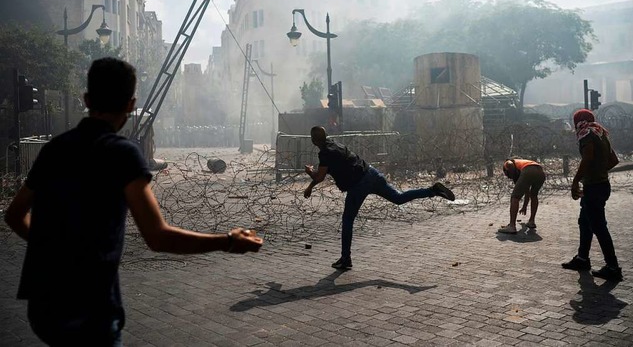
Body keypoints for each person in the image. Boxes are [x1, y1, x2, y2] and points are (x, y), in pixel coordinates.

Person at [4, 58, 263, 346]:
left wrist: (54, 247)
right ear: (131, 104)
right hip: (91, 305)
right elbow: (158, 237)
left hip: (43, 302)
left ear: (87, 99)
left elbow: (14, 215)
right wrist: (227, 240)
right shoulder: (121, 154)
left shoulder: (55, 149)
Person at [303, 125, 455, 270]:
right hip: (371, 173)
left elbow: (320, 176)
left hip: (358, 185)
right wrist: (310, 186)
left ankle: (345, 258)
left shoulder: (325, 153)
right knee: (398, 197)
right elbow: (328, 169)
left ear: (313, 140)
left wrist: (309, 172)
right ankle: (432, 190)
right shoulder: (334, 144)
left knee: (348, 220)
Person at [561, 109, 622, 281]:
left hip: (594, 188)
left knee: (599, 227)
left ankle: (613, 267)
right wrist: (599, 171)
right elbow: (614, 160)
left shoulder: (586, 133)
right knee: (585, 222)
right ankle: (582, 258)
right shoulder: (600, 133)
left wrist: (576, 180)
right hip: (601, 185)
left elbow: (587, 158)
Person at [498, 158, 546, 234]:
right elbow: (527, 192)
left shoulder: (508, 163)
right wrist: (524, 206)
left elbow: (510, 164)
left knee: (514, 197)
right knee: (534, 195)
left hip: (529, 170)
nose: (508, 177)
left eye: (506, 174)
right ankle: (531, 221)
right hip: (540, 172)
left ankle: (512, 226)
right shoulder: (521, 165)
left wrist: (512, 174)